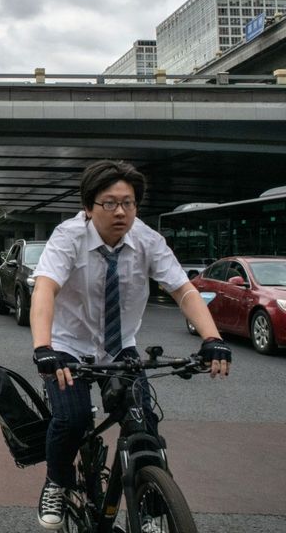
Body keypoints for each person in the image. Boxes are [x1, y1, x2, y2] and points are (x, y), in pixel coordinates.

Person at [29, 160, 232, 530]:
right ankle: (56, 481)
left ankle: (151, 508)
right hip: (67, 346)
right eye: (109, 203)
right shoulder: (67, 237)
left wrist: (212, 338)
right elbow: (46, 289)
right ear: (89, 207)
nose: (121, 211)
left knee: (145, 425)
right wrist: (44, 347)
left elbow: (184, 290)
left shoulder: (147, 240)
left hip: (119, 345)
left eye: (129, 202)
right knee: (71, 419)